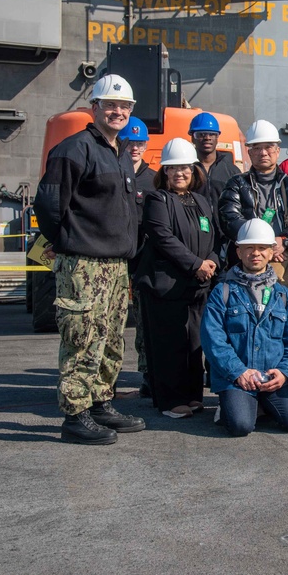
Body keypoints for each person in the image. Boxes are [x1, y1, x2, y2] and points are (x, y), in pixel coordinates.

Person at [32, 74, 146, 444]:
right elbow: (49, 205)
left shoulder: (120, 153)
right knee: (81, 336)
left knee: (111, 337)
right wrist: (66, 241)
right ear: (93, 108)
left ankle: (100, 402)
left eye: (124, 106)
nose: (117, 111)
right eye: (110, 105)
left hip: (115, 265)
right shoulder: (73, 149)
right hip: (84, 264)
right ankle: (76, 414)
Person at [134, 139, 220, 419]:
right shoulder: (157, 200)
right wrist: (195, 264)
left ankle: (193, 396)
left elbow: (214, 238)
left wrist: (212, 262)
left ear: (194, 170)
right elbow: (163, 238)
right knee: (169, 344)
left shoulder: (201, 201)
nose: (180, 173)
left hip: (197, 285)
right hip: (166, 286)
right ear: (164, 172)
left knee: (194, 343)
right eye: (173, 168)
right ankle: (171, 401)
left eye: (185, 168)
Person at [201, 219, 288, 436]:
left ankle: (260, 405)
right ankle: (233, 406)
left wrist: (284, 373)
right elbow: (213, 340)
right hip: (236, 378)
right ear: (238, 252)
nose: (255, 253)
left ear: (271, 253)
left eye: (261, 248)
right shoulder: (223, 292)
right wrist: (238, 371)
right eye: (249, 248)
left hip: (272, 376)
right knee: (240, 426)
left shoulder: (285, 297)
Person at [218, 120, 288, 293]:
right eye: (257, 148)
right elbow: (229, 219)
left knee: (287, 305)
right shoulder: (237, 184)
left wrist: (285, 240)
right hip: (248, 259)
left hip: (284, 257)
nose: (263, 152)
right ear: (249, 152)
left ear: (277, 151)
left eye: (268, 147)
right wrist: (262, 244)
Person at [119, 116, 157, 395]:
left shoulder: (153, 178)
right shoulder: (113, 172)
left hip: (143, 260)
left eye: (140, 143)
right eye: (130, 142)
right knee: (113, 320)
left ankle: (146, 371)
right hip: (115, 258)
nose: (135, 147)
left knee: (144, 319)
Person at [189, 111, 240, 210]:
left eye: (212, 134)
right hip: (194, 225)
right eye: (201, 134)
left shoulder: (232, 171)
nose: (207, 138)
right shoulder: (186, 170)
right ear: (192, 138)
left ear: (217, 138)